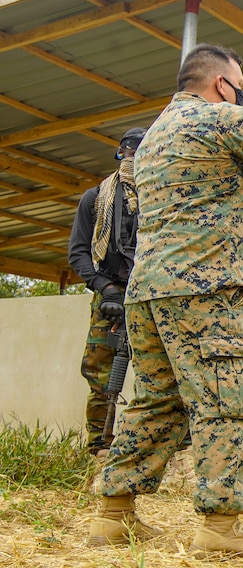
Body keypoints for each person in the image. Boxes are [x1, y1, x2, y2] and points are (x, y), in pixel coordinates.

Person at [88, 43, 243, 558]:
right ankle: (220, 528)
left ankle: (114, 514)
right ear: (223, 84)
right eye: (239, 85)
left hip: (148, 291)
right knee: (226, 404)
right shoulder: (221, 118)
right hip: (207, 289)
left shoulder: (153, 135)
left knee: (156, 401)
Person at [68, 127, 145, 458]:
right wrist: (106, 287)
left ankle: (152, 450)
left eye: (139, 155)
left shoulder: (160, 200)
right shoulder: (96, 197)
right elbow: (79, 253)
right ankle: (100, 445)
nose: (133, 161)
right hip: (109, 296)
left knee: (155, 374)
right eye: (129, 153)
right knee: (101, 373)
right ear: (119, 153)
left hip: (148, 295)